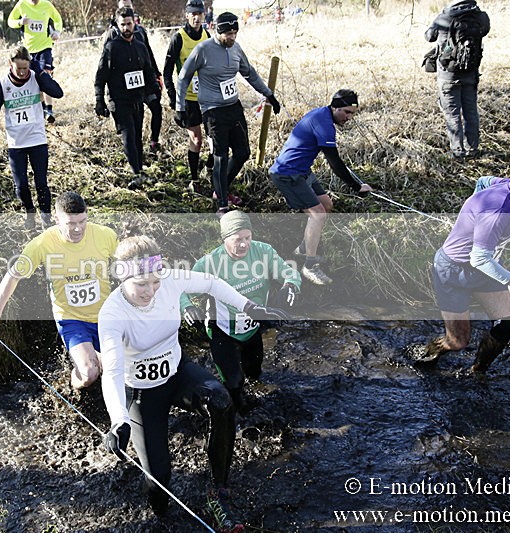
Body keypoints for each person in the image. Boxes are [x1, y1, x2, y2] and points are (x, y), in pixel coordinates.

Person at [98, 235, 287, 528]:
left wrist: (247, 306)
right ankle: (161, 516)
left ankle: (219, 488)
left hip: (177, 372)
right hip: (142, 392)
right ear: (122, 278)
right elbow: (111, 372)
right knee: (158, 479)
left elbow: (211, 282)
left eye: (155, 282)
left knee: (221, 400)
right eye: (141, 285)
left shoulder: (170, 280)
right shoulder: (112, 314)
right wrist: (118, 419)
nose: (150, 291)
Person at [414, 162, 510, 373]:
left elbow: (482, 181)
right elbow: (479, 259)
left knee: (507, 325)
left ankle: (478, 371)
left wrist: (473, 214)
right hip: (453, 270)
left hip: (484, 269)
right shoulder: (497, 212)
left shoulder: (508, 185)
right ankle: (426, 353)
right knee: (458, 342)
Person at [0, 191, 118, 389]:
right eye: (71, 224)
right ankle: (73, 387)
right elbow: (13, 276)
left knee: (117, 369)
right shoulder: (43, 244)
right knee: (89, 373)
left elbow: (130, 262)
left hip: (107, 315)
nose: (78, 229)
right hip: (72, 318)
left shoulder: (105, 235)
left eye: (82, 221)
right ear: (56, 218)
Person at [180, 211, 301, 414]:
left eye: (248, 238)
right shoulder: (210, 263)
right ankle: (237, 416)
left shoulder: (263, 252)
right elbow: (181, 288)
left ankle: (255, 407)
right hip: (223, 331)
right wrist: (188, 307)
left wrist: (290, 285)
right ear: (224, 239)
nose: (244, 244)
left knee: (254, 373)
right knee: (234, 383)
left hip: (253, 328)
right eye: (237, 240)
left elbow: (289, 272)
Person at [176, 11, 281, 217]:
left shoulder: (236, 49)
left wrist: (269, 94)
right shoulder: (203, 50)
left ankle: (220, 188)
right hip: (212, 112)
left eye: (235, 33)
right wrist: (180, 107)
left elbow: (249, 73)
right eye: (228, 34)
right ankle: (222, 204)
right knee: (220, 157)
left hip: (233, 107)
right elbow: (183, 77)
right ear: (217, 30)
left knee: (243, 153)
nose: (232, 37)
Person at [268, 90, 373, 285]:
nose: (349, 118)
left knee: (326, 205)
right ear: (335, 107)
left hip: (303, 171)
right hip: (287, 174)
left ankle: (304, 248)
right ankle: (310, 266)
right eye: (347, 112)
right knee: (318, 214)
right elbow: (335, 163)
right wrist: (356, 187)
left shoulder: (323, 115)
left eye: (353, 114)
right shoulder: (324, 124)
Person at [0, 46, 64, 230]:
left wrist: (40, 72)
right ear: (10, 64)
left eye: (26, 68)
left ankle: (46, 217)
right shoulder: (2, 85)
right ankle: (29, 212)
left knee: (41, 183)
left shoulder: (36, 77)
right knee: (22, 186)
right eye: (19, 68)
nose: (23, 72)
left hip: (37, 140)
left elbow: (58, 92)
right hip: (16, 143)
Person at [95, 7, 159, 187]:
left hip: (137, 99)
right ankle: (136, 173)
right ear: (117, 25)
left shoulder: (140, 46)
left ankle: (139, 170)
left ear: (135, 23)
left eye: (129, 24)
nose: (126, 28)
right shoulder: (111, 47)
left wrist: (154, 91)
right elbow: (101, 75)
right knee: (128, 136)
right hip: (119, 100)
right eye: (122, 25)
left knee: (137, 136)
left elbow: (148, 71)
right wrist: (99, 99)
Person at [425, 0, 490, 159]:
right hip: (470, 73)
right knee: (471, 112)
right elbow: (485, 30)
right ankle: (473, 149)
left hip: (448, 74)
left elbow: (429, 36)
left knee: (452, 114)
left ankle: (458, 152)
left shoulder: (444, 17)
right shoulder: (481, 17)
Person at [163, 0, 213, 192]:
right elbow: (167, 71)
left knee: (214, 140)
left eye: (200, 13)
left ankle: (209, 167)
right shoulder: (179, 38)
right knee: (197, 140)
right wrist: (174, 100)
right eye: (193, 14)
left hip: (208, 97)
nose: (197, 17)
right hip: (188, 99)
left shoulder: (207, 35)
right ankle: (194, 180)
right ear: (186, 15)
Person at [102, 0, 164, 155]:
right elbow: (106, 63)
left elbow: (148, 54)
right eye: (123, 6)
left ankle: (154, 141)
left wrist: (157, 75)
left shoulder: (140, 31)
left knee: (157, 107)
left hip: (145, 79)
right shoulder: (112, 34)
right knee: (133, 124)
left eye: (128, 6)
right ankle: (135, 153)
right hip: (125, 88)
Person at [7, 0, 63, 123]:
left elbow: (58, 19)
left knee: (46, 77)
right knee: (36, 80)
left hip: (45, 47)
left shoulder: (47, 5)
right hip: (28, 50)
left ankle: (49, 109)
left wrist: (57, 32)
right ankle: (43, 109)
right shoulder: (21, 4)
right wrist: (20, 22)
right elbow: (10, 21)